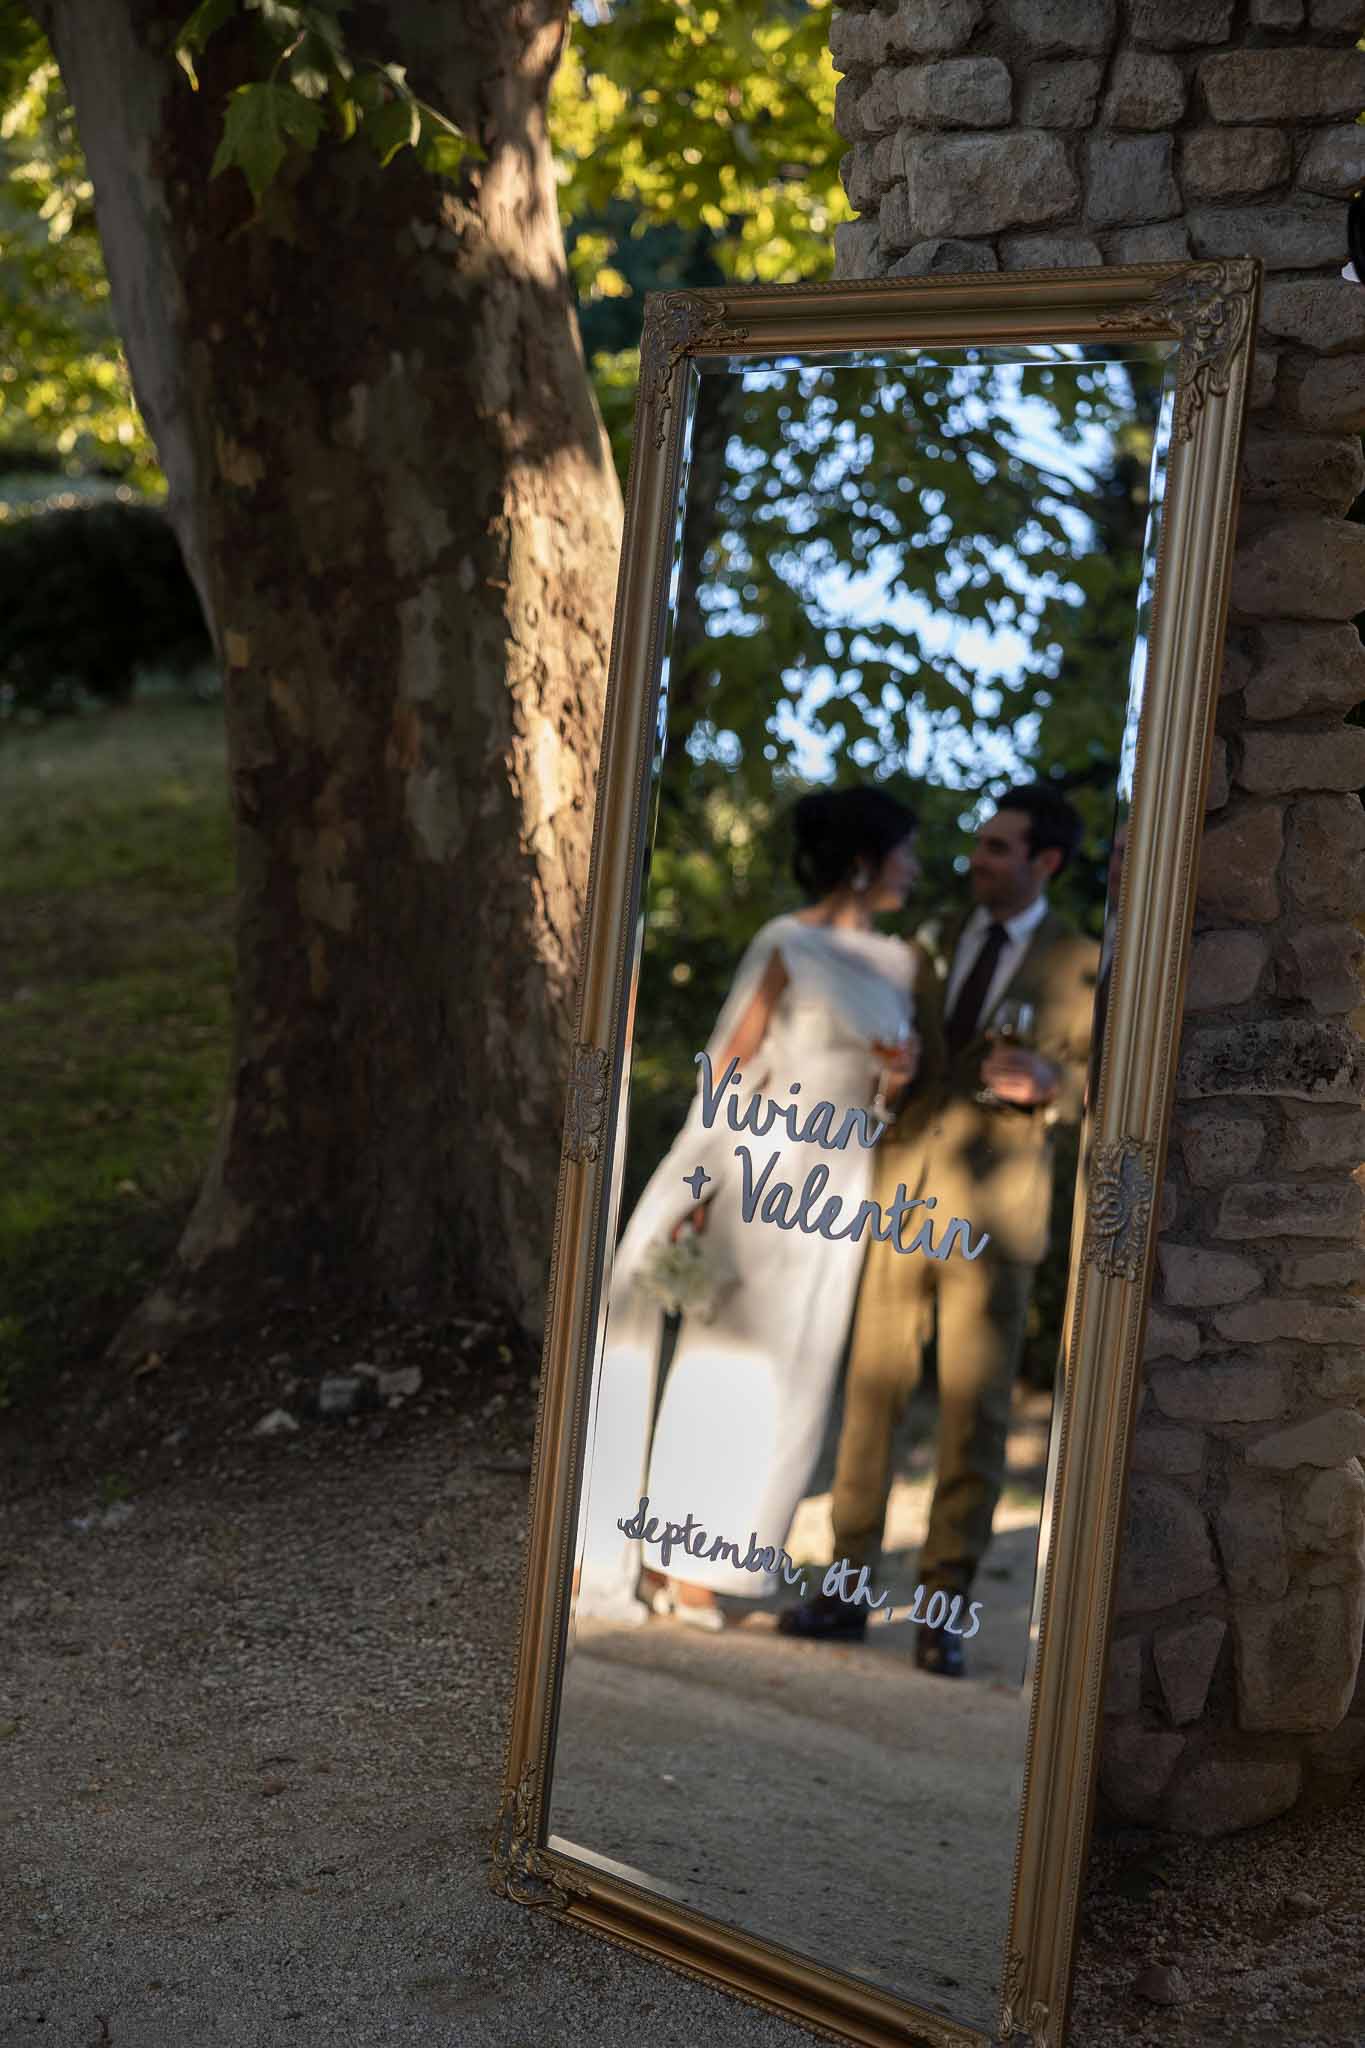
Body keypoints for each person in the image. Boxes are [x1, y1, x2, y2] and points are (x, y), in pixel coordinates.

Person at [574, 785, 936, 1629]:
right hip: (761, 1172)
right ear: (863, 859)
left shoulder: (901, 964)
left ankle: (725, 1558)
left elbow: (883, 1090)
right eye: (905, 851)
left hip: (842, 1185)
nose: (916, 868)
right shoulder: (786, 942)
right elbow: (731, 1066)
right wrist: (694, 1185)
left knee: (800, 1378)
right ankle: (676, 1561)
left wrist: (900, 1076)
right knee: (726, 1364)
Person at [778, 784, 1099, 1675]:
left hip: (995, 1220)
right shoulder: (932, 942)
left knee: (973, 1415)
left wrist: (1055, 1086)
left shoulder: (1080, 959)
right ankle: (843, 1592)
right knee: (872, 1397)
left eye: (998, 847)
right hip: (900, 1193)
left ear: (1044, 863)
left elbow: (1104, 1087)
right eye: (978, 843)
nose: (976, 859)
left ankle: (940, 1610)